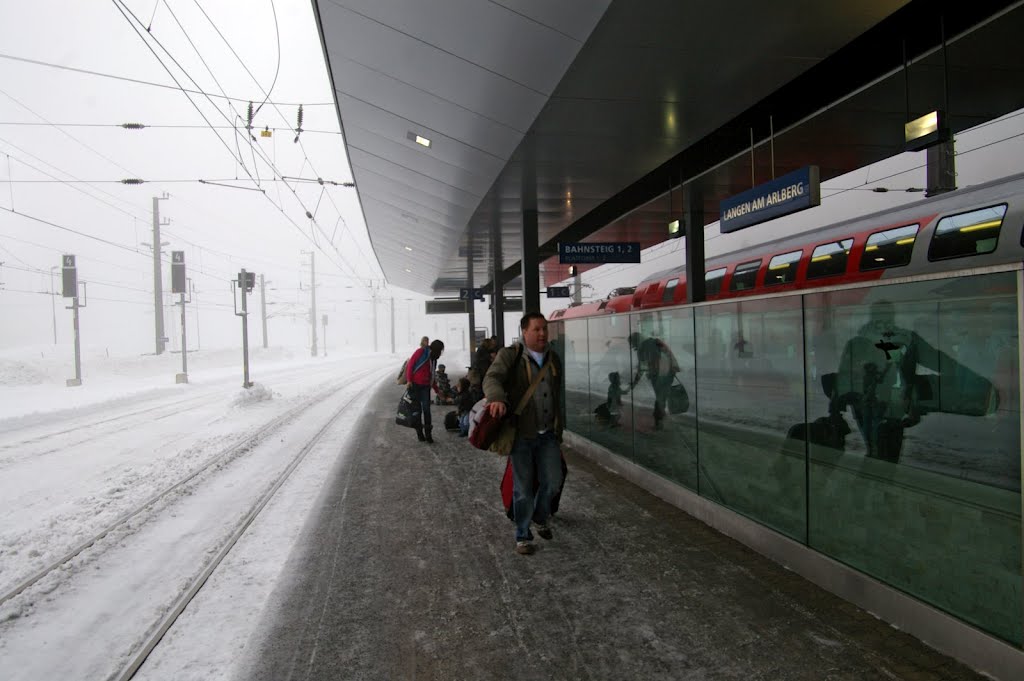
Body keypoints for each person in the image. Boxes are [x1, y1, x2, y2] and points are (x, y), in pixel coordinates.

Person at [484, 312, 564, 556]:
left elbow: (557, 393)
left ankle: (540, 517)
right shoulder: (512, 355)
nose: (542, 334)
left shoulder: (553, 358)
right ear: (524, 332)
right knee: (524, 487)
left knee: (553, 481)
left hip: (548, 433)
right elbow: (492, 377)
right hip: (521, 433)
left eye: (545, 329)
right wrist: (496, 398)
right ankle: (523, 535)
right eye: (537, 329)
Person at [629, 332, 680, 429]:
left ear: (636, 342)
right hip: (668, 373)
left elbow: (642, 368)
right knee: (661, 396)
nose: (632, 346)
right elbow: (668, 354)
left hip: (659, 375)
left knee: (660, 397)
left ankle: (658, 421)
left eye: (632, 344)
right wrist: (673, 367)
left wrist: (635, 383)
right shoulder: (655, 341)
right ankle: (661, 416)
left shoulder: (642, 349)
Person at [405, 339, 445, 443]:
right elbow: (410, 365)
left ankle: (428, 434)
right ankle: (419, 433)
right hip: (415, 386)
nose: (441, 353)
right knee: (417, 410)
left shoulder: (433, 360)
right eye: (440, 350)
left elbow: (432, 377)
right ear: (436, 349)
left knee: (427, 410)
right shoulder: (421, 352)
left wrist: (437, 390)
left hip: (425, 387)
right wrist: (409, 380)